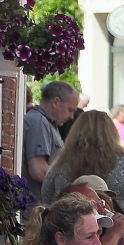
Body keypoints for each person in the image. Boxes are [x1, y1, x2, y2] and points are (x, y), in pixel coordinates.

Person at [41, 111, 124, 221]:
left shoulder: (62, 163)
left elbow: (47, 195)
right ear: (112, 133)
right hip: (117, 230)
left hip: (70, 230)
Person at [22, 81, 79, 220]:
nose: (71, 116)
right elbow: (39, 171)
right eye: (70, 110)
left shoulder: (47, 123)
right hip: (34, 211)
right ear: (56, 102)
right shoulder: (39, 122)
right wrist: (71, 189)